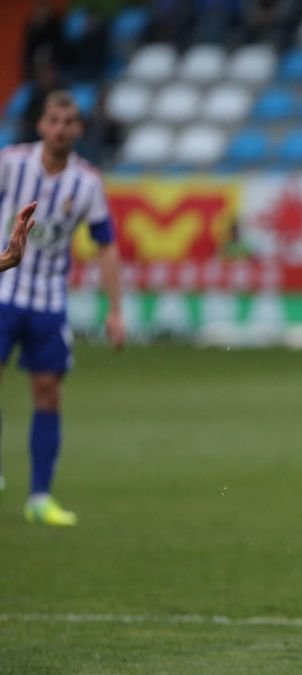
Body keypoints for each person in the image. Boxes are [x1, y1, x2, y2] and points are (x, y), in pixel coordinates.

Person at [0, 90, 125, 525]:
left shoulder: (87, 182)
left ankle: (39, 497)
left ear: (79, 130)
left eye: (68, 121)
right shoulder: (11, 163)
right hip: (4, 293)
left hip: (49, 300)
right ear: (41, 125)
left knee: (48, 393)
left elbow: (106, 247)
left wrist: (115, 310)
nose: (59, 128)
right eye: (53, 119)